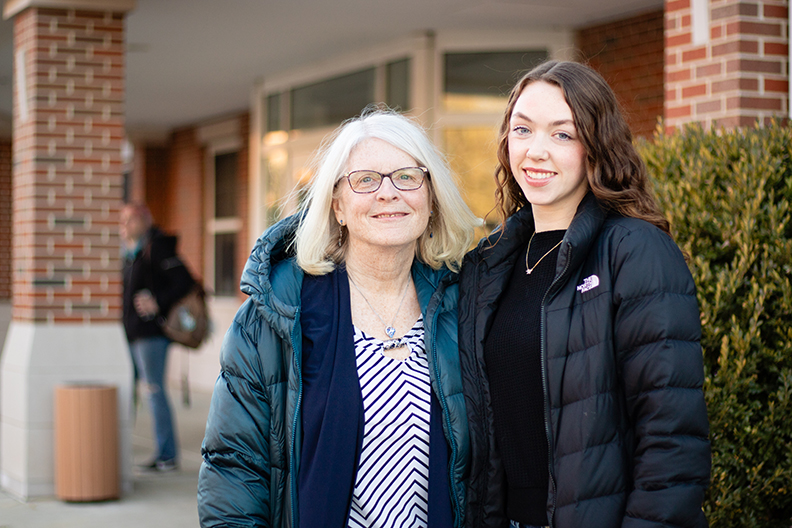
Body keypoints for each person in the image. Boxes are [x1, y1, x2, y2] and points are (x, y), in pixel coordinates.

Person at [197, 108, 480, 527]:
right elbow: (233, 470)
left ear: (431, 197)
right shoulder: (273, 318)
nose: (388, 193)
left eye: (407, 176)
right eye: (365, 180)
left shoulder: (468, 308)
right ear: (338, 206)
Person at [458, 61, 711, 528]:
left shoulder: (634, 251)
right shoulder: (488, 264)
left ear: (596, 145)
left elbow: (671, 441)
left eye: (562, 135)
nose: (536, 151)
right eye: (523, 129)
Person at [120, 202, 194, 472]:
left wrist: (157, 302)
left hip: (150, 335)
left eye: (129, 219)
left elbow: (185, 281)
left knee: (154, 391)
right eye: (122, 220)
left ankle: (167, 454)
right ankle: (120, 449)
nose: (124, 225)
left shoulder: (157, 247)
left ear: (144, 220)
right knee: (128, 390)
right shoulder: (130, 252)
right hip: (129, 333)